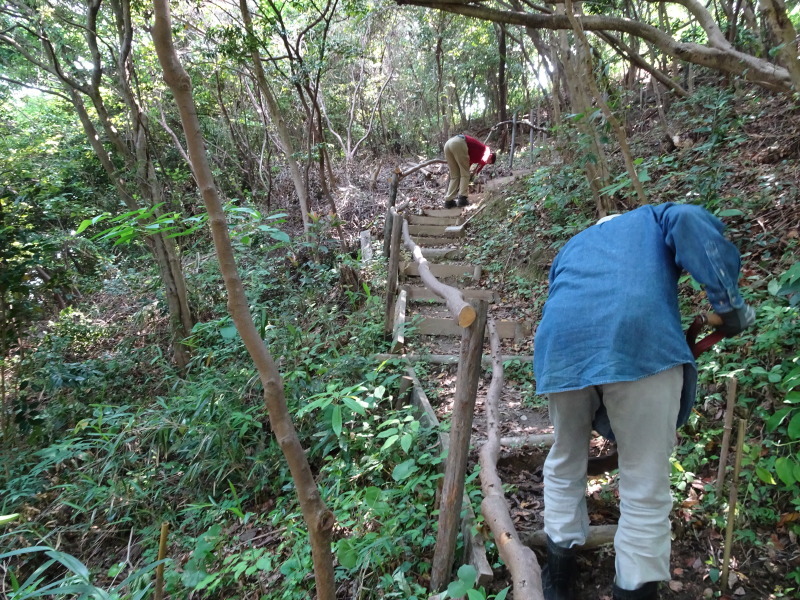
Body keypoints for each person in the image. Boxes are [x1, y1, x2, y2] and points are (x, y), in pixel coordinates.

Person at [532, 203, 755, 600]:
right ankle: (633, 587)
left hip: (560, 346)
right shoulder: (654, 217)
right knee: (644, 477)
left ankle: (559, 578)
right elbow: (690, 222)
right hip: (640, 340)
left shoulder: (573, 245)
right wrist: (729, 304)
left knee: (566, 458)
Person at [442, 134, 496, 208]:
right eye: (489, 162)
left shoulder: (478, 155)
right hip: (459, 143)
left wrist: (473, 172)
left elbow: (468, 162)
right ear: (491, 156)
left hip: (449, 143)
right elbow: (483, 160)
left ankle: (448, 201)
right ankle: (462, 199)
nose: (487, 163)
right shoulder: (487, 151)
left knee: (455, 175)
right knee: (465, 174)